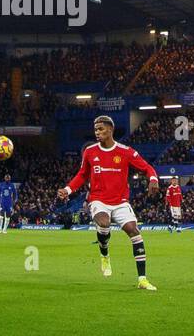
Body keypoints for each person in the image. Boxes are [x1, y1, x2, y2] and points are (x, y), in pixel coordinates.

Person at [56, 115, 160, 291]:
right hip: (98, 199)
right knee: (104, 223)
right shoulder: (89, 152)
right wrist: (67, 190)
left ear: (110, 130)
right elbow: (82, 175)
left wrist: (153, 179)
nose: (97, 133)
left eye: (101, 129)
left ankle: (142, 279)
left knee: (134, 232)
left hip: (120, 201)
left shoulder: (125, 151)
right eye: (96, 129)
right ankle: (104, 253)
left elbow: (147, 167)